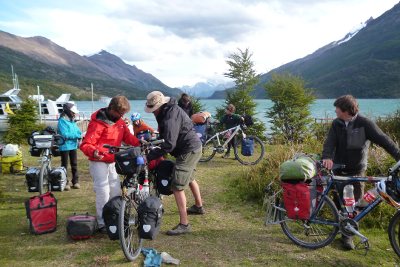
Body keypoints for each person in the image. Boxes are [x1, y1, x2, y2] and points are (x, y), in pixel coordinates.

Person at [322, 95, 400, 250]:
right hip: (338, 168)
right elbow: (330, 142)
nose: (335, 110)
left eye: (337, 108)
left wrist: (399, 157)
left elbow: (385, 141)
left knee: (356, 205)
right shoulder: (336, 123)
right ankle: (340, 229)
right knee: (340, 204)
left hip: (357, 171)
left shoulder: (365, 124)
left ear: (345, 110)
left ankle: (348, 237)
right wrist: (327, 157)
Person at [144, 91, 204, 236]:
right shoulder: (168, 110)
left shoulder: (170, 115)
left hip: (188, 150)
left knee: (177, 185)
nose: (152, 113)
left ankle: (184, 224)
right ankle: (198, 206)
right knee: (189, 178)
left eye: (153, 110)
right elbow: (168, 136)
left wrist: (150, 156)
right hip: (193, 147)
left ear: (160, 105)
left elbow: (169, 144)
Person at [80, 95, 141, 232]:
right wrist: (94, 151)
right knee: (103, 191)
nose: (121, 116)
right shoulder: (97, 123)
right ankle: (102, 223)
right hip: (98, 162)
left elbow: (127, 137)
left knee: (115, 191)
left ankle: (115, 217)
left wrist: (140, 142)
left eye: (123, 113)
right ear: (112, 108)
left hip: (112, 161)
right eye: (120, 113)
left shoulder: (119, 122)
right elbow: (86, 144)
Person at [57, 103, 82, 191]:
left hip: (73, 145)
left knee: (74, 164)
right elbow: (65, 134)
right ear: (68, 111)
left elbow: (79, 132)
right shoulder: (62, 121)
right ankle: (65, 182)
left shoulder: (72, 121)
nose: (75, 114)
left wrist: (76, 135)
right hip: (64, 146)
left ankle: (75, 181)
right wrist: (76, 135)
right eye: (73, 112)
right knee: (64, 165)